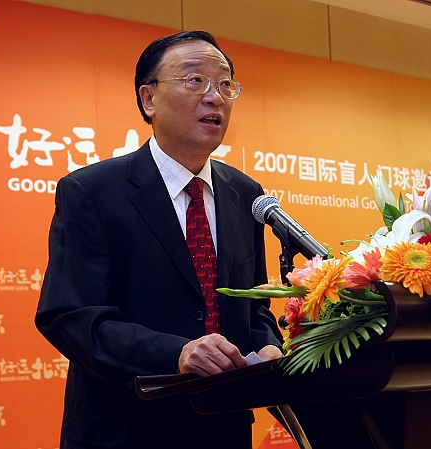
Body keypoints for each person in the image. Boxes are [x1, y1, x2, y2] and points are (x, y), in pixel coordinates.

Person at [35, 30, 283, 449]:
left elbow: (253, 304)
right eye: (195, 80)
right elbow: (71, 316)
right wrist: (176, 354)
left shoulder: (245, 193)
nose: (215, 97)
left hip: (224, 426)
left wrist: (269, 346)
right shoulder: (93, 191)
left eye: (225, 84)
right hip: (125, 429)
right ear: (148, 99)